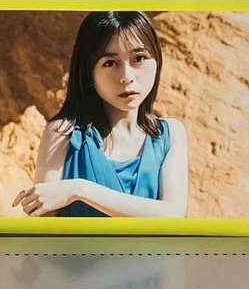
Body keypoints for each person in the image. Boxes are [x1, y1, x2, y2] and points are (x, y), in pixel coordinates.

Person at [15, 11, 189, 219]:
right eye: (110, 63)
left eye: (139, 58)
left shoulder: (169, 134)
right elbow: (45, 224)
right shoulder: (63, 133)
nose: (126, 77)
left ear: (157, 61)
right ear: (89, 73)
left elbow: (172, 213)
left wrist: (78, 189)